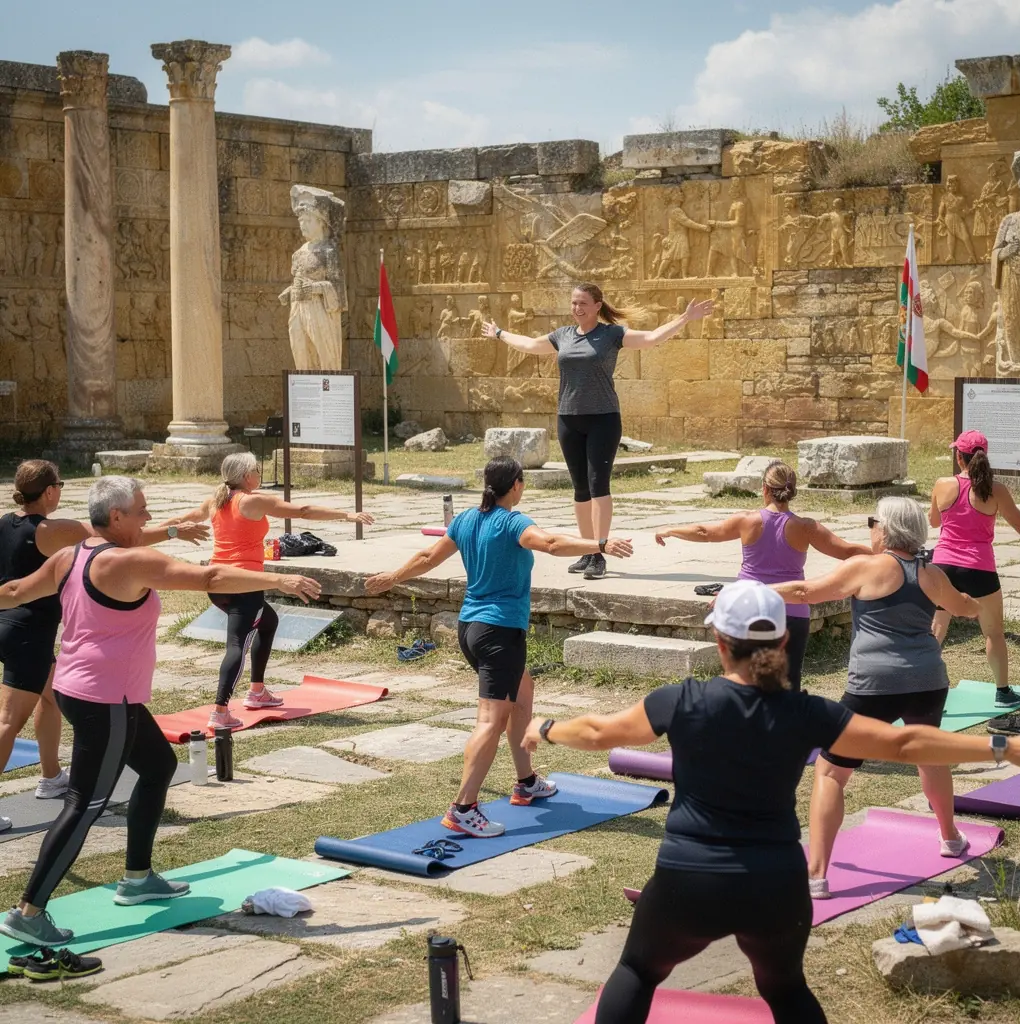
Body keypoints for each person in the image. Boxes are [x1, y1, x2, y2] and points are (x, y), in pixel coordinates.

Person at [521, 579, 1020, 1024]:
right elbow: (905, 744)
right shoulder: (808, 713)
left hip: (688, 881)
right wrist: (1001, 746)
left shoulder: (682, 700)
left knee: (636, 969)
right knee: (784, 989)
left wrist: (544, 727)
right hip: (776, 887)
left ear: (720, 643)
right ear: (784, 640)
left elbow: (596, 732)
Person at [0, 476, 320, 947]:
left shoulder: (71, 555)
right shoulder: (130, 561)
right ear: (116, 517)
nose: (149, 517)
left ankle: (137, 877)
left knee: (158, 766)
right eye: (142, 510)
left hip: (89, 690)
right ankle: (29, 912)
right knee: (83, 804)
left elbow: (12, 592)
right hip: (103, 698)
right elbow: (210, 578)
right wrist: (279, 578)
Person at [366, 456, 632, 838]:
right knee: (491, 722)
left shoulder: (466, 521)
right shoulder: (512, 522)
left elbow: (427, 557)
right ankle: (464, 808)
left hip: (470, 629)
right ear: (518, 484)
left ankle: (525, 782)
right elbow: (552, 544)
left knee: (523, 690)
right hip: (500, 635)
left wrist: (393, 576)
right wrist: (601, 543)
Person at [772, 496, 981, 900]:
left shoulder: (866, 567)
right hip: (928, 681)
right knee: (930, 757)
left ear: (885, 529)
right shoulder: (931, 573)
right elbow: (965, 607)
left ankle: (816, 875)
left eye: (873, 522)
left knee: (831, 772)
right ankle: (951, 837)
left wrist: (746, 592)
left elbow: (803, 591)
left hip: (874, 687)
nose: (870, 528)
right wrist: (972, 603)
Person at [0, 460, 207, 826]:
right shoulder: (51, 529)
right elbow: (114, 537)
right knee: (8, 721)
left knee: (48, 697)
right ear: (50, 492)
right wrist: (173, 532)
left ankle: (51, 778)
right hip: (28, 631)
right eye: (60, 485)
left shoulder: (5, 522)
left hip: (14, 625)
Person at [484, 283, 714, 581]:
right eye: (573, 303)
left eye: (582, 303)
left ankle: (601, 553)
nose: (577, 308)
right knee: (580, 489)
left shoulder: (611, 335)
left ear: (596, 305)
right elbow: (530, 345)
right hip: (569, 418)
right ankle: (588, 550)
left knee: (598, 486)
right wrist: (500, 333)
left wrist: (683, 318)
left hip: (603, 419)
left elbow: (651, 338)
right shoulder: (563, 335)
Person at [176, 452, 373, 729]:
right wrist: (347, 514)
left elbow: (186, 518)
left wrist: (153, 532)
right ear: (247, 476)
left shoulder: (215, 500)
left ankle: (257, 691)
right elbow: (302, 511)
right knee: (236, 645)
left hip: (218, 582)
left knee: (268, 622)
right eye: (257, 469)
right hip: (245, 585)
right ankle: (220, 710)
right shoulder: (252, 501)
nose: (260, 473)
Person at [654, 461, 871, 690]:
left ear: (765, 489)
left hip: (749, 608)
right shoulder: (806, 527)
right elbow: (848, 551)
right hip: (793, 611)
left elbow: (704, 532)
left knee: (746, 681)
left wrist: (669, 530)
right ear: (792, 491)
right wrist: (890, 553)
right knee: (790, 683)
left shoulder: (747, 520)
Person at [930, 430, 1020, 705]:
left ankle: (925, 693)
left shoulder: (942, 484)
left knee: (935, 630)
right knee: (993, 632)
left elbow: (935, 523)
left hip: (943, 567)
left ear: (959, 456)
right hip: (979, 568)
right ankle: (1003, 692)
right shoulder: (996, 490)